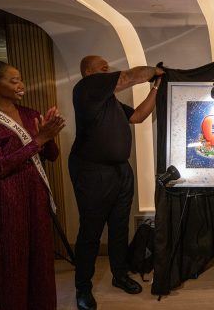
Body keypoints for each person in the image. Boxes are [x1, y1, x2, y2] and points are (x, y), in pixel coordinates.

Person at [69, 56, 164, 310]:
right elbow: (128, 77)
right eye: (101, 67)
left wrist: (156, 86)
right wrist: (156, 70)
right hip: (93, 171)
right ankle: (83, 289)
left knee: (120, 227)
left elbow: (138, 117)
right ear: (88, 72)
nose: (107, 69)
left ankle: (119, 275)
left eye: (107, 67)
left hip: (121, 171)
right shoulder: (86, 89)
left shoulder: (109, 101)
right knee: (90, 231)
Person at [0, 60, 65, 309]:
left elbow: (51, 156)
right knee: (13, 262)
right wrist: (39, 139)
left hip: (37, 197)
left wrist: (49, 135)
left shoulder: (30, 114)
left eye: (20, 79)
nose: (21, 85)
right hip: (7, 201)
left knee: (41, 261)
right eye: (13, 81)